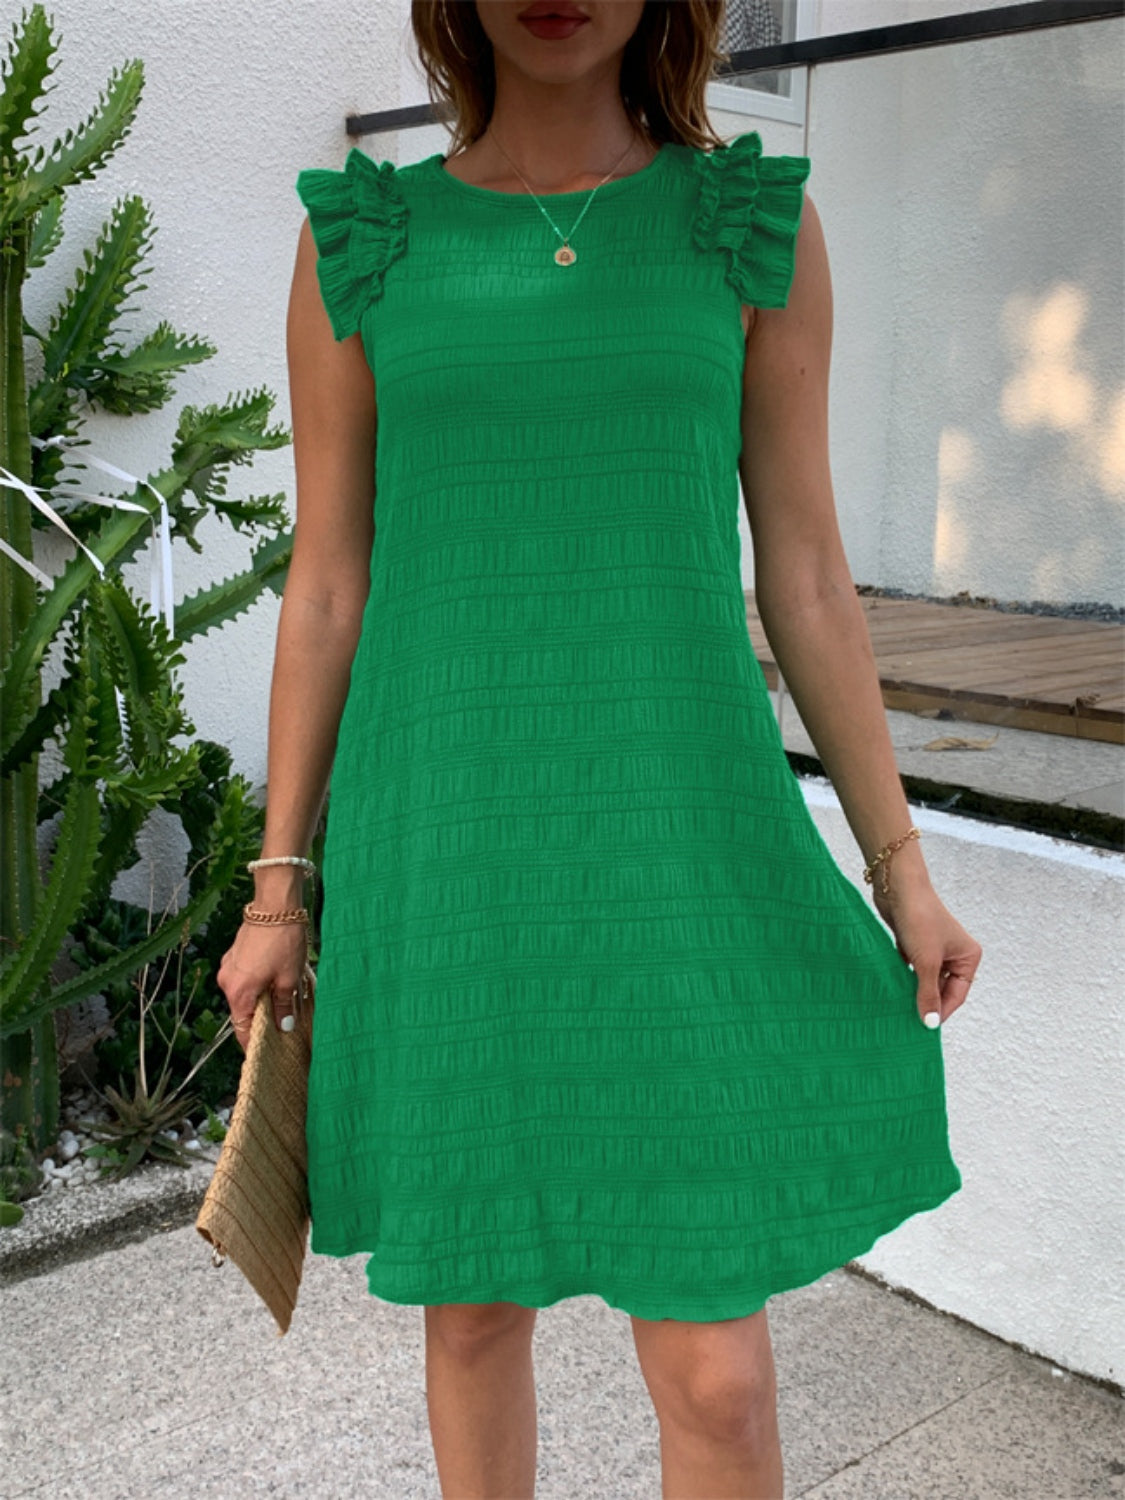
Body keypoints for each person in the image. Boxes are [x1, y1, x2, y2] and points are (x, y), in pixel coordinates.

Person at [217, 2, 983, 1495]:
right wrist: (277, 888)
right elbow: (327, 584)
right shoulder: (364, 244)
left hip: (674, 843)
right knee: (472, 1309)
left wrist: (900, 867)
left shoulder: (744, 227)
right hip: (449, 837)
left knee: (717, 1378)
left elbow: (806, 572)